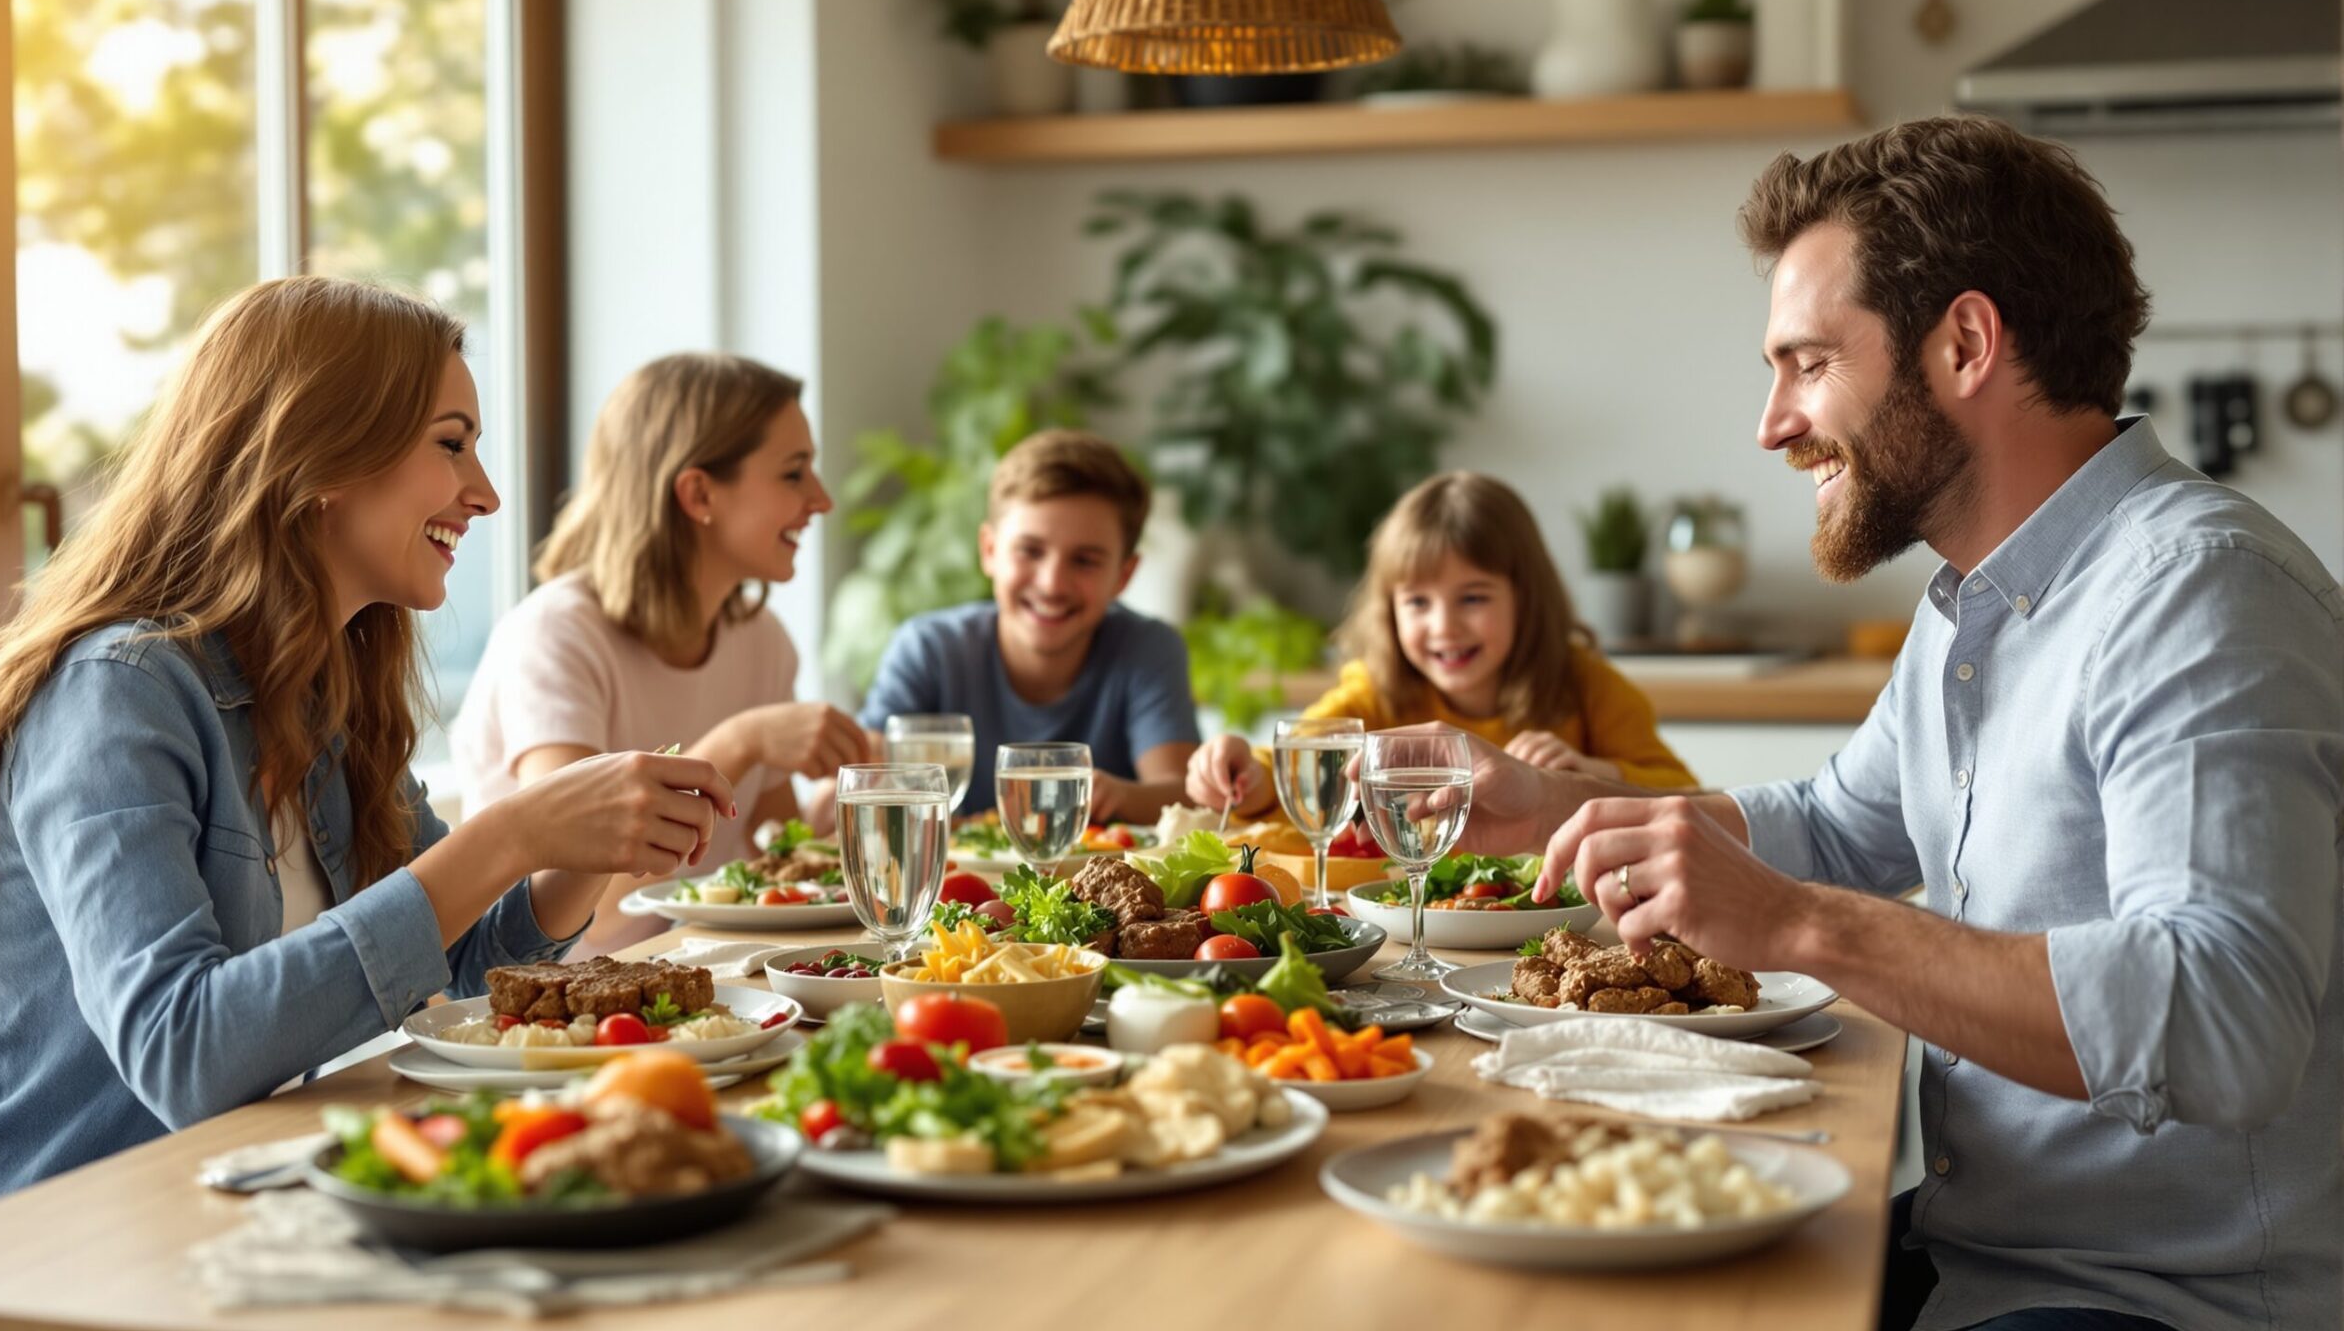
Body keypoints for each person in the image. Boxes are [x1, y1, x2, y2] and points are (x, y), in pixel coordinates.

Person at [1462, 117, 2339, 1331]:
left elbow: (2222, 1016)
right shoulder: (1978, 602)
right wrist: (1549, 805)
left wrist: (1807, 928)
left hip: (2175, 1318)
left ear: (1965, 345)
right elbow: (1834, 824)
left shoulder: (2196, 591)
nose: (1773, 425)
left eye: (1807, 363)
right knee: (1582, 1326)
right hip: (1986, 1255)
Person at [0, 278, 736, 1219]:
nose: (485, 494)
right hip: (34, 1268)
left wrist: (572, 854)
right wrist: (508, 837)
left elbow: (458, 967)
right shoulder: (120, 694)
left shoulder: (317, 693)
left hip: (223, 1208)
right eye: (451, 445)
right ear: (322, 456)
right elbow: (185, 1053)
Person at [453, 353, 861, 956]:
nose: (821, 500)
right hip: (556, 1005)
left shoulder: (762, 640)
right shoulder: (557, 636)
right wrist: (738, 744)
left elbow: (769, 862)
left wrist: (833, 826)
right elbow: (572, 908)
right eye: (794, 473)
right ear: (699, 493)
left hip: (698, 975)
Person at [1186, 470, 1695, 819]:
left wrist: (1588, 774)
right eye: (1418, 603)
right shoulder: (1377, 691)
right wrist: (1239, 773)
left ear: (1527, 597)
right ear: (1389, 610)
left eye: (1473, 598)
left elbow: (1686, 795)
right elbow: (1294, 771)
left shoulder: (1583, 683)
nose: (1444, 626)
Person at [857, 428, 1200, 822]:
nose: (1052, 584)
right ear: (989, 551)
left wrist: (1119, 795)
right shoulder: (928, 648)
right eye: (1030, 551)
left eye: (1085, 560)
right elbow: (866, 783)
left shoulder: (1147, 648)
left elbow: (1183, 797)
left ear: (1124, 575)